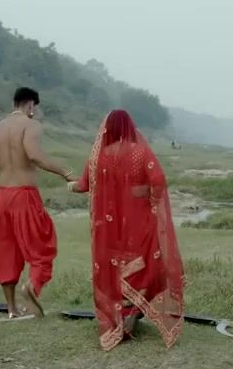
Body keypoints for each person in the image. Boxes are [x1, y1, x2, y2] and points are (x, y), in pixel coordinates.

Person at [68, 111, 184, 350]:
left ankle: (119, 320)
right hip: (139, 223)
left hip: (108, 228)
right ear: (130, 127)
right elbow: (158, 179)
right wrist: (149, 200)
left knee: (114, 269)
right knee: (148, 266)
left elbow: (83, 185)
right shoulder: (140, 151)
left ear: (107, 129)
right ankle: (132, 315)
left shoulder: (99, 155)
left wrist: (70, 185)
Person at [0, 87, 75, 318]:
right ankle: (32, 286)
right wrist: (66, 172)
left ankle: (11, 309)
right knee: (42, 244)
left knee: (5, 251)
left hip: (2, 197)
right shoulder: (31, 125)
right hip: (24, 194)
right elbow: (34, 155)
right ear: (31, 104)